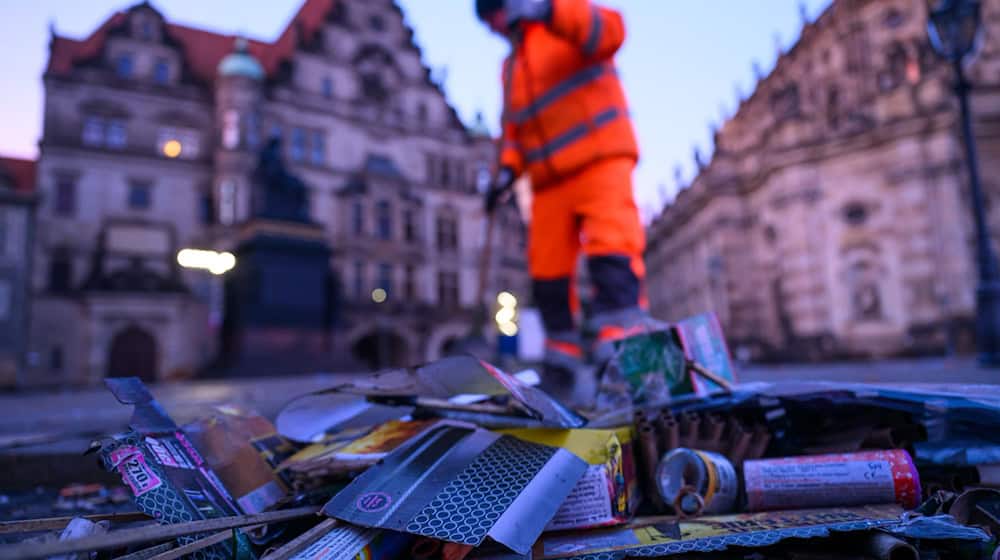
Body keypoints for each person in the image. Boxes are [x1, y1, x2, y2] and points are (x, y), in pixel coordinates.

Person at [477, 0, 653, 402]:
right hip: (547, 183)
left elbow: (611, 32)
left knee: (612, 250)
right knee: (547, 273)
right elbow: (514, 132)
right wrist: (506, 170)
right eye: (490, 25)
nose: (496, 29)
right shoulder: (511, 67)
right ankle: (562, 363)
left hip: (600, 158)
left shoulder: (561, 19)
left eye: (495, 18)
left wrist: (550, 10)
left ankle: (622, 352)